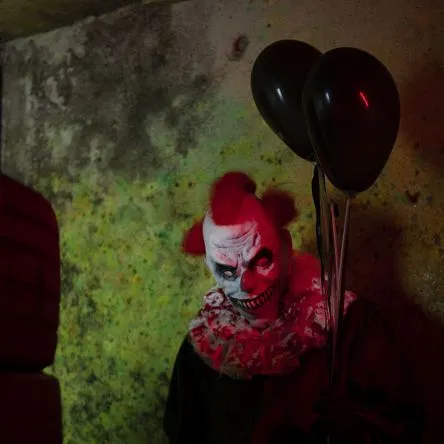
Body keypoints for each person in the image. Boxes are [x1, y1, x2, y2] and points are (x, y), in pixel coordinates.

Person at [163, 171, 424, 444]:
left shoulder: (351, 327)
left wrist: (354, 430)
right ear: (209, 265)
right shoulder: (208, 345)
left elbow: (404, 428)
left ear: (286, 246)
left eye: (261, 260)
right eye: (227, 270)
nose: (246, 284)